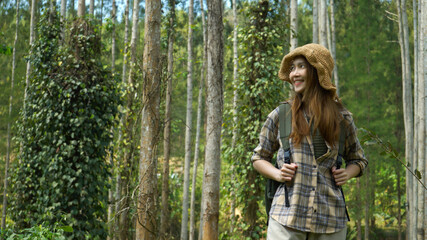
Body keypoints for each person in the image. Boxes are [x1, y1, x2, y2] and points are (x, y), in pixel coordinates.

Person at [252, 43, 368, 240]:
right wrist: (278, 173)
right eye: (292, 68)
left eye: (301, 66)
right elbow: (258, 158)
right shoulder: (282, 115)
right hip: (286, 221)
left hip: (330, 222)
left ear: (317, 72)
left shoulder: (343, 118)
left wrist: (347, 174)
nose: (294, 74)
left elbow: (359, 160)